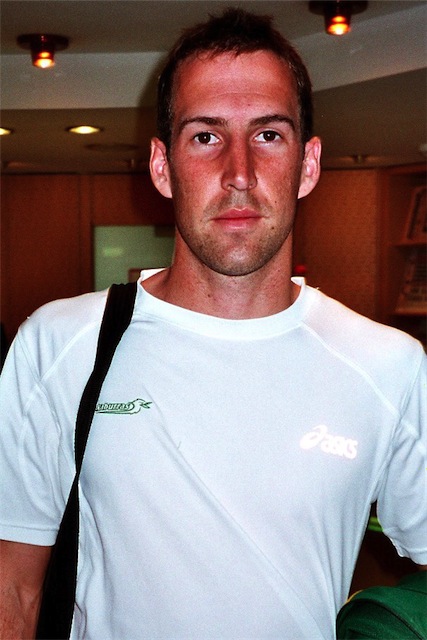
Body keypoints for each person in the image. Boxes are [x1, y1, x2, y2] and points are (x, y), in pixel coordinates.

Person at [1, 8, 426, 639]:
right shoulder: (60, 344)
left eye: (268, 135)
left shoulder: (388, 366)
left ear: (308, 164)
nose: (239, 174)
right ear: (161, 165)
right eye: (206, 136)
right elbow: (13, 586)